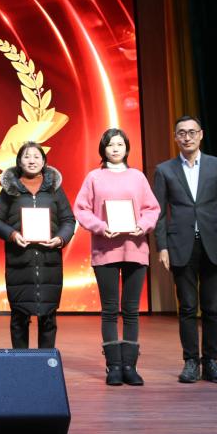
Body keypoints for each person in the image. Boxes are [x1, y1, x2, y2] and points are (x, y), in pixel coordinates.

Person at [154, 115, 217, 385]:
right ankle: (191, 361)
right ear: (175, 137)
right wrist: (162, 247)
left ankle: (211, 361)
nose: (187, 137)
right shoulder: (164, 170)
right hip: (181, 245)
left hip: (214, 243)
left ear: (201, 134)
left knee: (212, 307)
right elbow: (159, 213)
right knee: (188, 307)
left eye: (192, 132)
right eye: (182, 133)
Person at [73, 128, 160, 386]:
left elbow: (152, 209)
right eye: (110, 144)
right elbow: (81, 209)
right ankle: (113, 366)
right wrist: (101, 227)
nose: (115, 148)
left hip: (135, 248)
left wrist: (141, 226)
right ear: (103, 149)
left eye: (120, 144)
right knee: (110, 310)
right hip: (105, 249)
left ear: (127, 148)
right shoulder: (94, 177)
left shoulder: (137, 177)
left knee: (131, 310)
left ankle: (130, 366)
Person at [0, 142, 75, 350]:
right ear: (19, 161)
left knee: (48, 318)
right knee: (19, 318)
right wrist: (12, 235)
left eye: (37, 156)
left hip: (49, 262)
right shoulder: (10, 190)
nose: (32, 160)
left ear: (44, 161)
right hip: (19, 262)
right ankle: (21, 363)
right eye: (27, 156)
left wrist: (60, 239)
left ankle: (46, 362)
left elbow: (68, 220)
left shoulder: (54, 190)